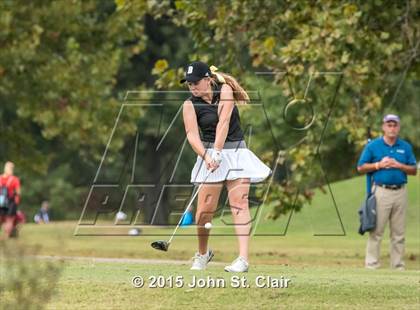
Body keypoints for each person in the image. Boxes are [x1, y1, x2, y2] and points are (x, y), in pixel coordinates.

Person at [181, 61, 272, 272]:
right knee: (204, 213)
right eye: (189, 84)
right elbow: (192, 135)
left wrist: (219, 153)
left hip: (235, 153)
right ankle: (203, 254)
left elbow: (223, 122)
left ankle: (242, 259)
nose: (192, 87)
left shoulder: (225, 90)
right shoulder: (189, 105)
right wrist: (206, 156)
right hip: (208, 155)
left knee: (239, 204)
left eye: (196, 82)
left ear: (207, 79)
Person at [357, 114, 417, 270]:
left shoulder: (405, 147)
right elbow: (361, 167)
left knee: (398, 233)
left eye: (394, 125)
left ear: (398, 127)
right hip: (381, 192)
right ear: (383, 127)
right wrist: (378, 165)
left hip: (400, 192)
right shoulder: (373, 146)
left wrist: (399, 165)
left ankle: (397, 265)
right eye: (389, 125)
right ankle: (372, 264)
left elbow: (413, 170)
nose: (392, 128)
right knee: (376, 231)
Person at [0, 161, 21, 240]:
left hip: (1, 200)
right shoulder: (15, 179)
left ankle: (6, 236)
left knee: (4, 219)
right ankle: (6, 236)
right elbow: (18, 192)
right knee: (9, 219)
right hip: (11, 202)